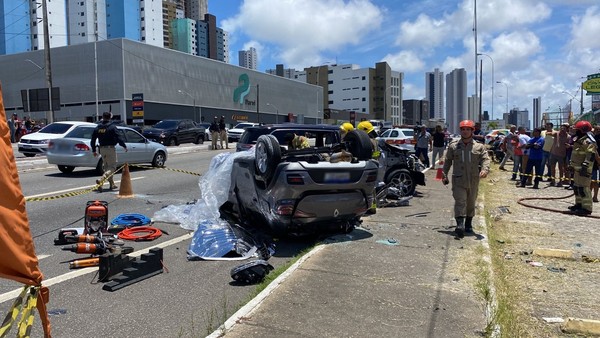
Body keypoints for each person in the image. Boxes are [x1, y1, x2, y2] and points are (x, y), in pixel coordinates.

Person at [442, 120, 490, 238]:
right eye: (463, 129)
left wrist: (485, 170)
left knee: (470, 202)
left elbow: (485, 159)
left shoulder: (479, 146)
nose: (465, 132)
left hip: (473, 179)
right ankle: (460, 225)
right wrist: (443, 175)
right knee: (460, 201)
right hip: (458, 179)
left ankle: (468, 224)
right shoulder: (453, 146)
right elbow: (447, 161)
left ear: (472, 131)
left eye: (468, 129)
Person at [91, 112, 127, 191]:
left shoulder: (98, 127)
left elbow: (93, 139)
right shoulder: (112, 127)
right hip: (110, 149)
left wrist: (94, 150)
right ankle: (101, 180)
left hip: (102, 149)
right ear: (110, 117)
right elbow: (119, 137)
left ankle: (111, 184)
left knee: (107, 167)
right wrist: (124, 146)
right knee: (112, 167)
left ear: (103, 117)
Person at [567, 121, 597, 215]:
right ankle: (579, 204)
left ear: (582, 130)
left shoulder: (588, 141)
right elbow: (576, 154)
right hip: (577, 168)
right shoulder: (579, 140)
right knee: (577, 187)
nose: (575, 131)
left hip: (584, 169)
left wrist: (585, 166)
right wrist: (572, 165)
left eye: (577, 130)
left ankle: (587, 208)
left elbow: (590, 155)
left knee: (584, 189)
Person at [591, 125, 600, 203]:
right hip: (592, 162)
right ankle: (591, 196)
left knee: (595, 180)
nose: (597, 131)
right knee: (592, 180)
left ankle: (595, 196)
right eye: (596, 129)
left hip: (597, 162)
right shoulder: (592, 138)